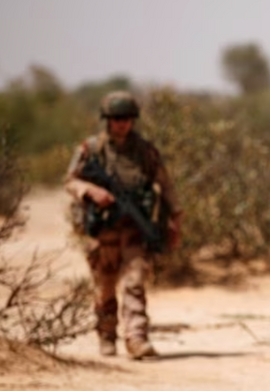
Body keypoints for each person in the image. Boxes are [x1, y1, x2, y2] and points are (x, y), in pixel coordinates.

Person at [65, 91, 183, 360]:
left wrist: (175, 218)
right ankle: (107, 335)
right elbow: (70, 182)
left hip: (133, 229)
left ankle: (136, 337)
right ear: (107, 119)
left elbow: (165, 186)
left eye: (128, 118)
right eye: (117, 118)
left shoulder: (145, 151)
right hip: (102, 229)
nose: (123, 123)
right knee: (104, 285)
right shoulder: (91, 150)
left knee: (135, 282)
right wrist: (92, 192)